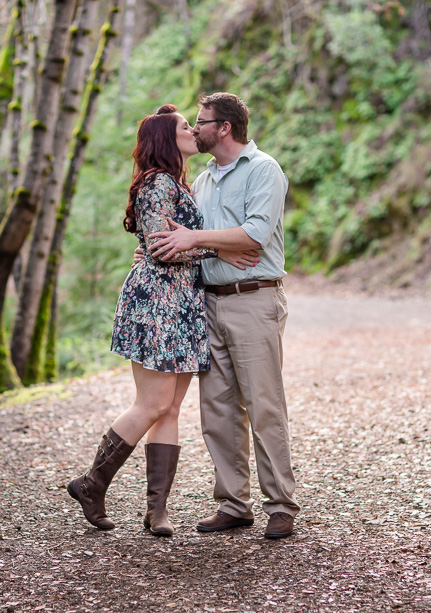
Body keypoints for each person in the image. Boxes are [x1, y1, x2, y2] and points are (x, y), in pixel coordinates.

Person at [67, 104, 258, 537]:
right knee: (151, 404)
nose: (193, 130)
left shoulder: (178, 183)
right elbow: (161, 249)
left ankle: (157, 511)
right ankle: (92, 484)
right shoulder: (157, 183)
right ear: (165, 140)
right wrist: (220, 249)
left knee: (171, 408)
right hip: (157, 304)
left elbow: (174, 243)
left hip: (184, 306)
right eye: (184, 126)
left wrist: (203, 246)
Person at [147, 92, 301, 539]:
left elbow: (255, 233)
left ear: (225, 128)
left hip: (254, 299)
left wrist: (197, 238)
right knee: (217, 408)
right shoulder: (206, 178)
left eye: (201, 121)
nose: (194, 129)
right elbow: (195, 239)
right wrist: (172, 246)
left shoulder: (264, 170)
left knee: (264, 403)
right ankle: (234, 503)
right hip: (207, 301)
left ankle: (281, 505)